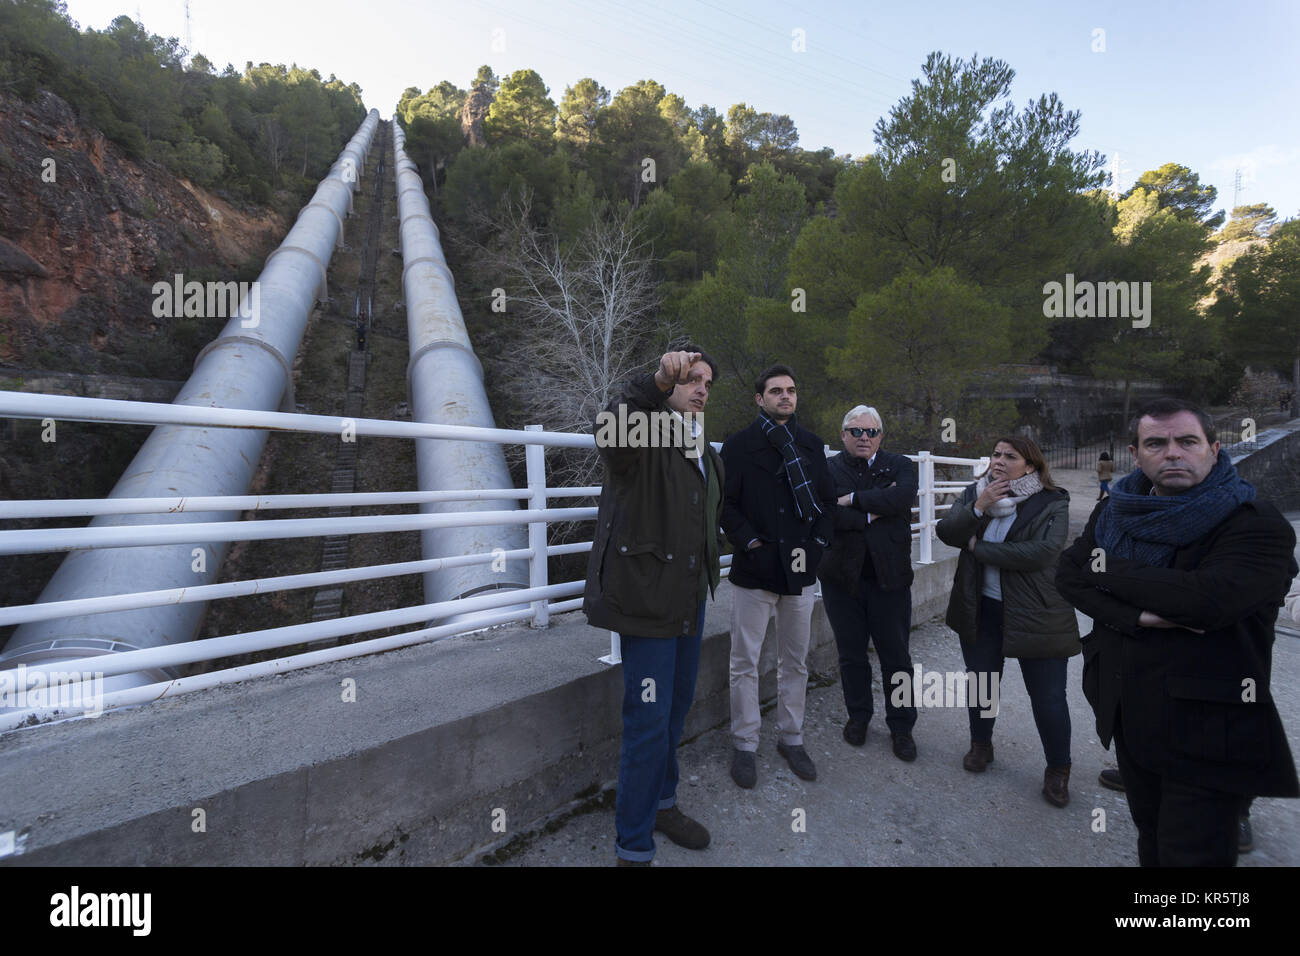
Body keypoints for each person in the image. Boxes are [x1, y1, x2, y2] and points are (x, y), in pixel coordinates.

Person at [1056, 398, 1299, 866]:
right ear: (1136, 454)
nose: (1172, 453)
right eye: (1156, 443)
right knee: (1151, 840)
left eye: (1187, 441)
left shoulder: (1254, 522)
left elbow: (1206, 601)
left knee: (1192, 858)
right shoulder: (1117, 509)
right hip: (1130, 712)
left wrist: (1099, 565)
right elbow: (1067, 576)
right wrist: (1135, 615)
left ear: (1213, 447)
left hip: (1209, 731)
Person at [583, 347, 725, 866]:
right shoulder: (644, 434)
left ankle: (663, 804)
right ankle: (633, 847)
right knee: (647, 721)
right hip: (646, 602)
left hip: (688, 602)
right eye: (691, 379)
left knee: (674, 711)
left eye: (707, 382)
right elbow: (608, 435)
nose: (701, 388)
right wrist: (652, 385)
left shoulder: (706, 452)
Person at [935, 435, 1080, 806]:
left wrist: (977, 548)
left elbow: (1041, 553)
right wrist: (979, 506)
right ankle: (981, 745)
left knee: (1047, 697)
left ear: (1030, 465)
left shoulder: (1052, 501)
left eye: (1010, 456)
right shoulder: (976, 492)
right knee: (983, 685)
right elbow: (947, 532)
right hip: (981, 607)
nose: (998, 461)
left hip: (1038, 612)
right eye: (996, 454)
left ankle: (1058, 770)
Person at [721, 365, 836, 787]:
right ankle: (745, 744)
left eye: (790, 390)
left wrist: (819, 547)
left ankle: (791, 737)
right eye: (776, 391)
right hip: (755, 570)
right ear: (760, 399)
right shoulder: (738, 446)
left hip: (801, 569)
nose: (785, 397)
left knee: (795, 661)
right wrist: (751, 543)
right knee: (745, 662)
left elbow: (826, 502)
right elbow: (726, 505)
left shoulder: (811, 444)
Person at [816, 405, 920, 760]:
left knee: (897, 657)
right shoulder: (828, 468)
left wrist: (854, 500)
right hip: (841, 579)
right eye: (856, 431)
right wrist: (876, 512)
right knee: (851, 656)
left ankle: (902, 727)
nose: (864, 438)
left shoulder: (901, 465)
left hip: (889, 579)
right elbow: (828, 513)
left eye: (871, 432)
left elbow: (903, 497)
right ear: (843, 434)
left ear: (881, 436)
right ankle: (858, 717)